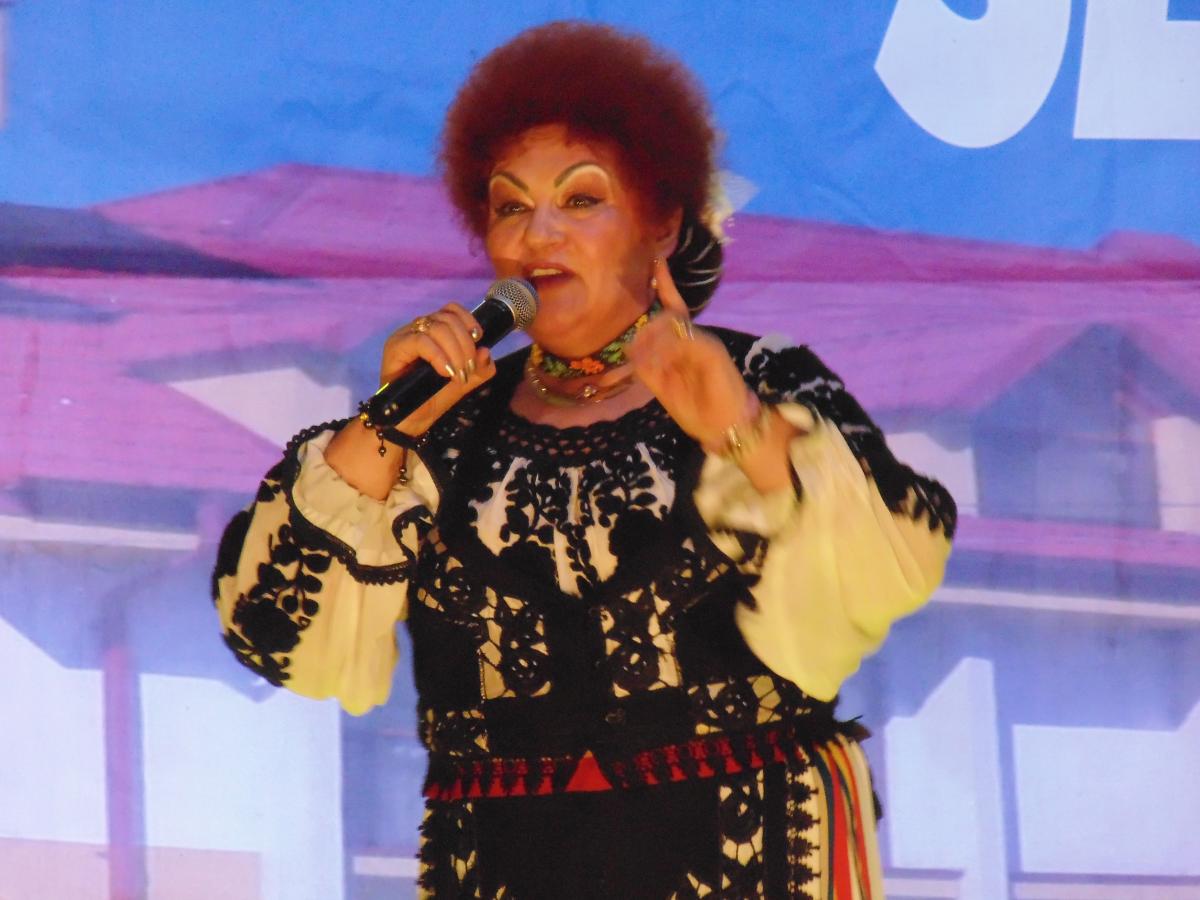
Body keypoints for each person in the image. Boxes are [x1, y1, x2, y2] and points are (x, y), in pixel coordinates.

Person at [213, 21, 955, 899]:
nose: (539, 236)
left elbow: (885, 569)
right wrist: (389, 426)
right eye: (510, 207)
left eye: (580, 200)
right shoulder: (443, 429)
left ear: (661, 223)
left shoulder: (761, 377)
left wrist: (743, 431)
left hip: (747, 859)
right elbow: (276, 636)